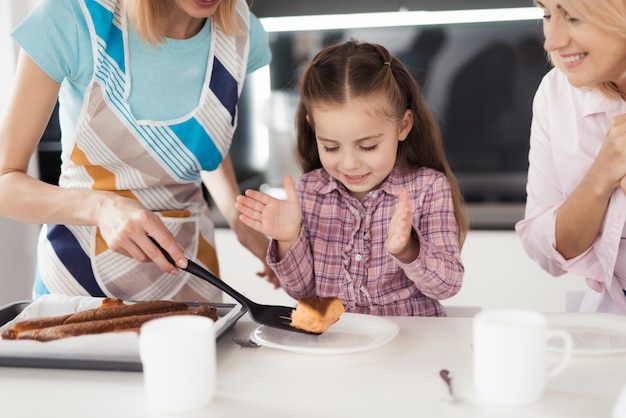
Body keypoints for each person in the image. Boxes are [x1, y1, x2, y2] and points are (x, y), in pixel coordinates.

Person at [0, 0, 278, 302]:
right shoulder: (76, 17)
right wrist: (102, 207)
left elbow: (195, 141)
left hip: (191, 277)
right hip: (79, 283)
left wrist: (238, 220)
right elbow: (5, 182)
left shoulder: (240, 31)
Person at [236, 40, 467, 316]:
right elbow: (302, 291)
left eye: (368, 146)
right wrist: (289, 239)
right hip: (339, 344)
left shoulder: (428, 187)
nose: (349, 163)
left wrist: (408, 249)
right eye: (331, 147)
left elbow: (448, 286)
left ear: (403, 126)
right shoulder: (310, 190)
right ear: (313, 129)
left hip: (411, 347)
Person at [516, 0, 626, 313]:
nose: (552, 40)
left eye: (574, 17)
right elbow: (546, 251)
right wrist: (601, 175)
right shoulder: (557, 94)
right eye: (547, 15)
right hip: (611, 317)